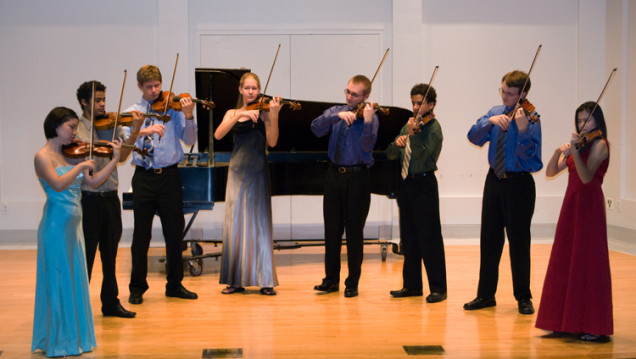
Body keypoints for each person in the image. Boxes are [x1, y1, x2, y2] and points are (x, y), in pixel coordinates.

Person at [32, 107, 122, 357]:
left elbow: (92, 182)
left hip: (74, 230)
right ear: (56, 126)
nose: (74, 132)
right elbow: (59, 184)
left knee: (73, 282)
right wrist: (81, 164)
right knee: (58, 281)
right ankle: (59, 340)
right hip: (55, 228)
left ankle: (75, 338)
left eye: (74, 127)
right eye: (70, 127)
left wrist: (114, 159)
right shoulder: (43, 156)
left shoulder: (69, 156)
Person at [465, 70, 542, 315]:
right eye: (503, 91)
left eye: (510, 93)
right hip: (494, 181)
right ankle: (485, 295)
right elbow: (473, 137)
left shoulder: (531, 119)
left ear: (523, 94)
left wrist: (521, 131)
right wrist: (490, 122)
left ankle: (523, 297)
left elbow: (532, 160)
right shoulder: (495, 112)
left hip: (519, 184)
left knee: (519, 242)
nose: (505, 96)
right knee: (489, 240)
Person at [536, 102, 612, 342]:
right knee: (565, 261)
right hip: (571, 206)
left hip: (590, 208)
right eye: (579, 121)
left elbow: (587, 177)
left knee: (589, 264)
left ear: (597, 121)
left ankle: (594, 325)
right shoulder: (581, 144)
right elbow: (550, 173)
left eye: (587, 120)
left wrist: (576, 154)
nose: (582, 125)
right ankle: (563, 322)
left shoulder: (600, 145)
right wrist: (559, 152)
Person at [124, 65, 198, 305]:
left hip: (169, 176)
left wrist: (188, 116)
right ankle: (137, 288)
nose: (155, 90)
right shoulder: (132, 113)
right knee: (141, 237)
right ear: (140, 87)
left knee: (174, 233)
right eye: (149, 87)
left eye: (157, 85)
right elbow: (126, 143)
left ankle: (174, 285)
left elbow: (189, 140)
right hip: (144, 178)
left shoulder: (173, 110)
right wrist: (144, 128)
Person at [75, 80, 142, 318]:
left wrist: (134, 131)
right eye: (98, 100)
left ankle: (110, 303)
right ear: (84, 102)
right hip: (89, 198)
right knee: (86, 257)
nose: (103, 104)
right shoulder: (77, 128)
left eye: (104, 99)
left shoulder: (113, 125)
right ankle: (80, 307)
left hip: (110, 197)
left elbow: (122, 157)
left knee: (110, 255)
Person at [310, 75, 379, 298]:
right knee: (331, 230)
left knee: (354, 233)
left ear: (366, 96)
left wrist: (367, 122)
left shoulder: (371, 117)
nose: (350, 97)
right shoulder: (336, 111)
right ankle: (331, 280)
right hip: (333, 176)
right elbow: (315, 129)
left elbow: (367, 147)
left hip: (357, 177)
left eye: (355, 94)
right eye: (347, 92)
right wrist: (335, 117)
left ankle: (352, 282)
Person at [213, 73, 281, 295]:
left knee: (260, 223)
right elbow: (218, 134)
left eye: (255, 88)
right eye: (247, 88)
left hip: (258, 171)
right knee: (235, 225)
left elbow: (272, 142)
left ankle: (265, 280)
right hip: (236, 172)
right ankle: (235, 280)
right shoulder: (232, 112)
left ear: (259, 90)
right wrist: (240, 114)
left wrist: (274, 115)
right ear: (240, 90)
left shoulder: (264, 113)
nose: (251, 92)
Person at [386, 83, 447, 303]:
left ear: (431, 104)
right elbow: (391, 154)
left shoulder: (434, 128)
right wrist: (398, 142)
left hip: (424, 184)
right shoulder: (409, 124)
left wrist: (412, 137)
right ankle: (411, 286)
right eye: (413, 102)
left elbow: (424, 157)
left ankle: (439, 288)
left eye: (419, 103)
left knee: (429, 238)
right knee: (409, 238)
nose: (415, 106)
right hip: (406, 184)